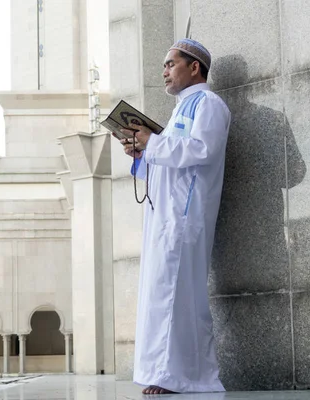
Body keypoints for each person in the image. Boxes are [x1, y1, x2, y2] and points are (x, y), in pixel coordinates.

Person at [115, 39, 231, 395]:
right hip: (165, 220)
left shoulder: (208, 104)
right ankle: (170, 374)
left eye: (170, 64)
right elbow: (168, 160)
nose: (164, 71)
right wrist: (141, 150)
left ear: (194, 67)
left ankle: (175, 377)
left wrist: (153, 142)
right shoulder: (181, 110)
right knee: (162, 295)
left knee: (175, 296)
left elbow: (202, 149)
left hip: (184, 218)